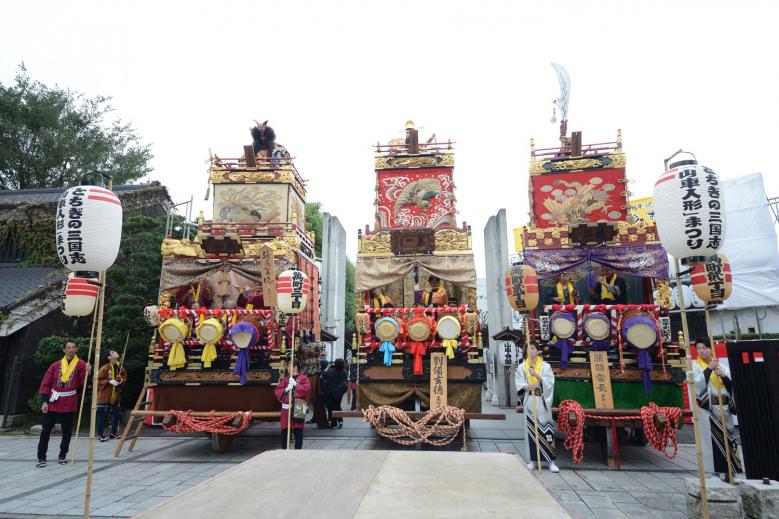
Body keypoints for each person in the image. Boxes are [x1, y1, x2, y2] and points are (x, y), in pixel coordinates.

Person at [691, 337, 743, 480]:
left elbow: (732, 385)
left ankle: (730, 471)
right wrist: (708, 370)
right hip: (709, 408)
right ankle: (713, 470)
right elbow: (697, 384)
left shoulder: (722, 366)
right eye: (699, 348)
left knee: (729, 438)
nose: (701, 351)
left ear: (710, 349)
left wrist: (724, 377)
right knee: (712, 439)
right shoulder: (695, 366)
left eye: (704, 348)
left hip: (724, 407)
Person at [37, 340, 90, 467]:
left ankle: (62, 455)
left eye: (73, 347)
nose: (71, 350)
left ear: (76, 349)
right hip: (53, 400)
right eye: (68, 347)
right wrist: (45, 401)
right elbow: (46, 383)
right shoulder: (55, 365)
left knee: (67, 431)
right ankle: (41, 457)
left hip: (69, 400)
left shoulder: (82, 364)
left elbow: (86, 384)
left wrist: (89, 372)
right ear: (64, 350)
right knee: (46, 429)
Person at [515, 341, 559, 473]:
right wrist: (526, 386)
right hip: (530, 400)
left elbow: (550, 383)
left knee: (547, 429)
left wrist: (537, 376)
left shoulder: (546, 366)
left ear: (538, 351)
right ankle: (533, 460)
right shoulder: (522, 367)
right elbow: (518, 382)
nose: (530, 351)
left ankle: (551, 461)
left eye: (533, 348)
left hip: (542, 400)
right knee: (531, 430)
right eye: (528, 349)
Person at [274, 361, 311, 449]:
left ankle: (298, 449)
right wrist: (286, 389)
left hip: (298, 406)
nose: (292, 368)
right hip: (286, 408)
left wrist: (296, 385)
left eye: (294, 366)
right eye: (290, 366)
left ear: (297, 367)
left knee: (298, 430)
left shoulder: (303, 378)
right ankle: (284, 449)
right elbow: (277, 391)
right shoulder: (285, 380)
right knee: (285, 430)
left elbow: (306, 390)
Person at [96, 350, 127, 442]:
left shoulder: (119, 367)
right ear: (109, 357)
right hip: (105, 395)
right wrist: (108, 381)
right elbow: (96, 380)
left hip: (116, 394)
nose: (115, 353)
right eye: (112, 352)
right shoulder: (104, 367)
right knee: (102, 415)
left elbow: (124, 376)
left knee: (117, 414)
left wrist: (121, 380)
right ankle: (100, 435)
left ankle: (113, 433)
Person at [321, 358, 348, 428]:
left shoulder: (331, 372)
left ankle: (332, 422)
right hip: (340, 392)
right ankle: (340, 421)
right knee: (337, 405)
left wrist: (328, 367)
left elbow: (322, 375)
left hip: (330, 392)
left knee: (330, 407)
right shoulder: (344, 372)